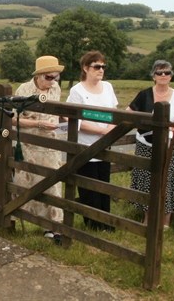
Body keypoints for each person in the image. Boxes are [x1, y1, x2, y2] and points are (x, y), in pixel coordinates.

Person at [127, 60, 174, 229]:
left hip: (170, 146)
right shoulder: (144, 95)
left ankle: (165, 223)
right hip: (146, 145)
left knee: (167, 181)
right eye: (159, 73)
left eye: (167, 73)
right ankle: (147, 220)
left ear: (171, 76)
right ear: (153, 76)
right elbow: (129, 113)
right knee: (146, 180)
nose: (163, 76)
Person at [12, 56, 65, 242]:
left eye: (56, 78)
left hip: (51, 145)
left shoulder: (56, 88)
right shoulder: (24, 90)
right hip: (29, 146)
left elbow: (56, 111)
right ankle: (29, 223)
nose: (53, 82)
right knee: (29, 185)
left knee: (53, 185)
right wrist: (39, 123)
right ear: (39, 75)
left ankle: (56, 228)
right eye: (49, 78)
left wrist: (63, 120)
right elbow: (13, 118)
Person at [66, 51, 118, 231]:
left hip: (105, 144)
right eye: (97, 66)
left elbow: (115, 113)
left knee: (104, 184)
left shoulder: (108, 87)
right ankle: (93, 224)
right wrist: (101, 130)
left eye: (103, 66)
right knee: (89, 187)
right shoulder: (77, 90)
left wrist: (109, 131)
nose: (101, 70)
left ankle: (107, 224)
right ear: (85, 68)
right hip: (85, 146)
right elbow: (72, 118)